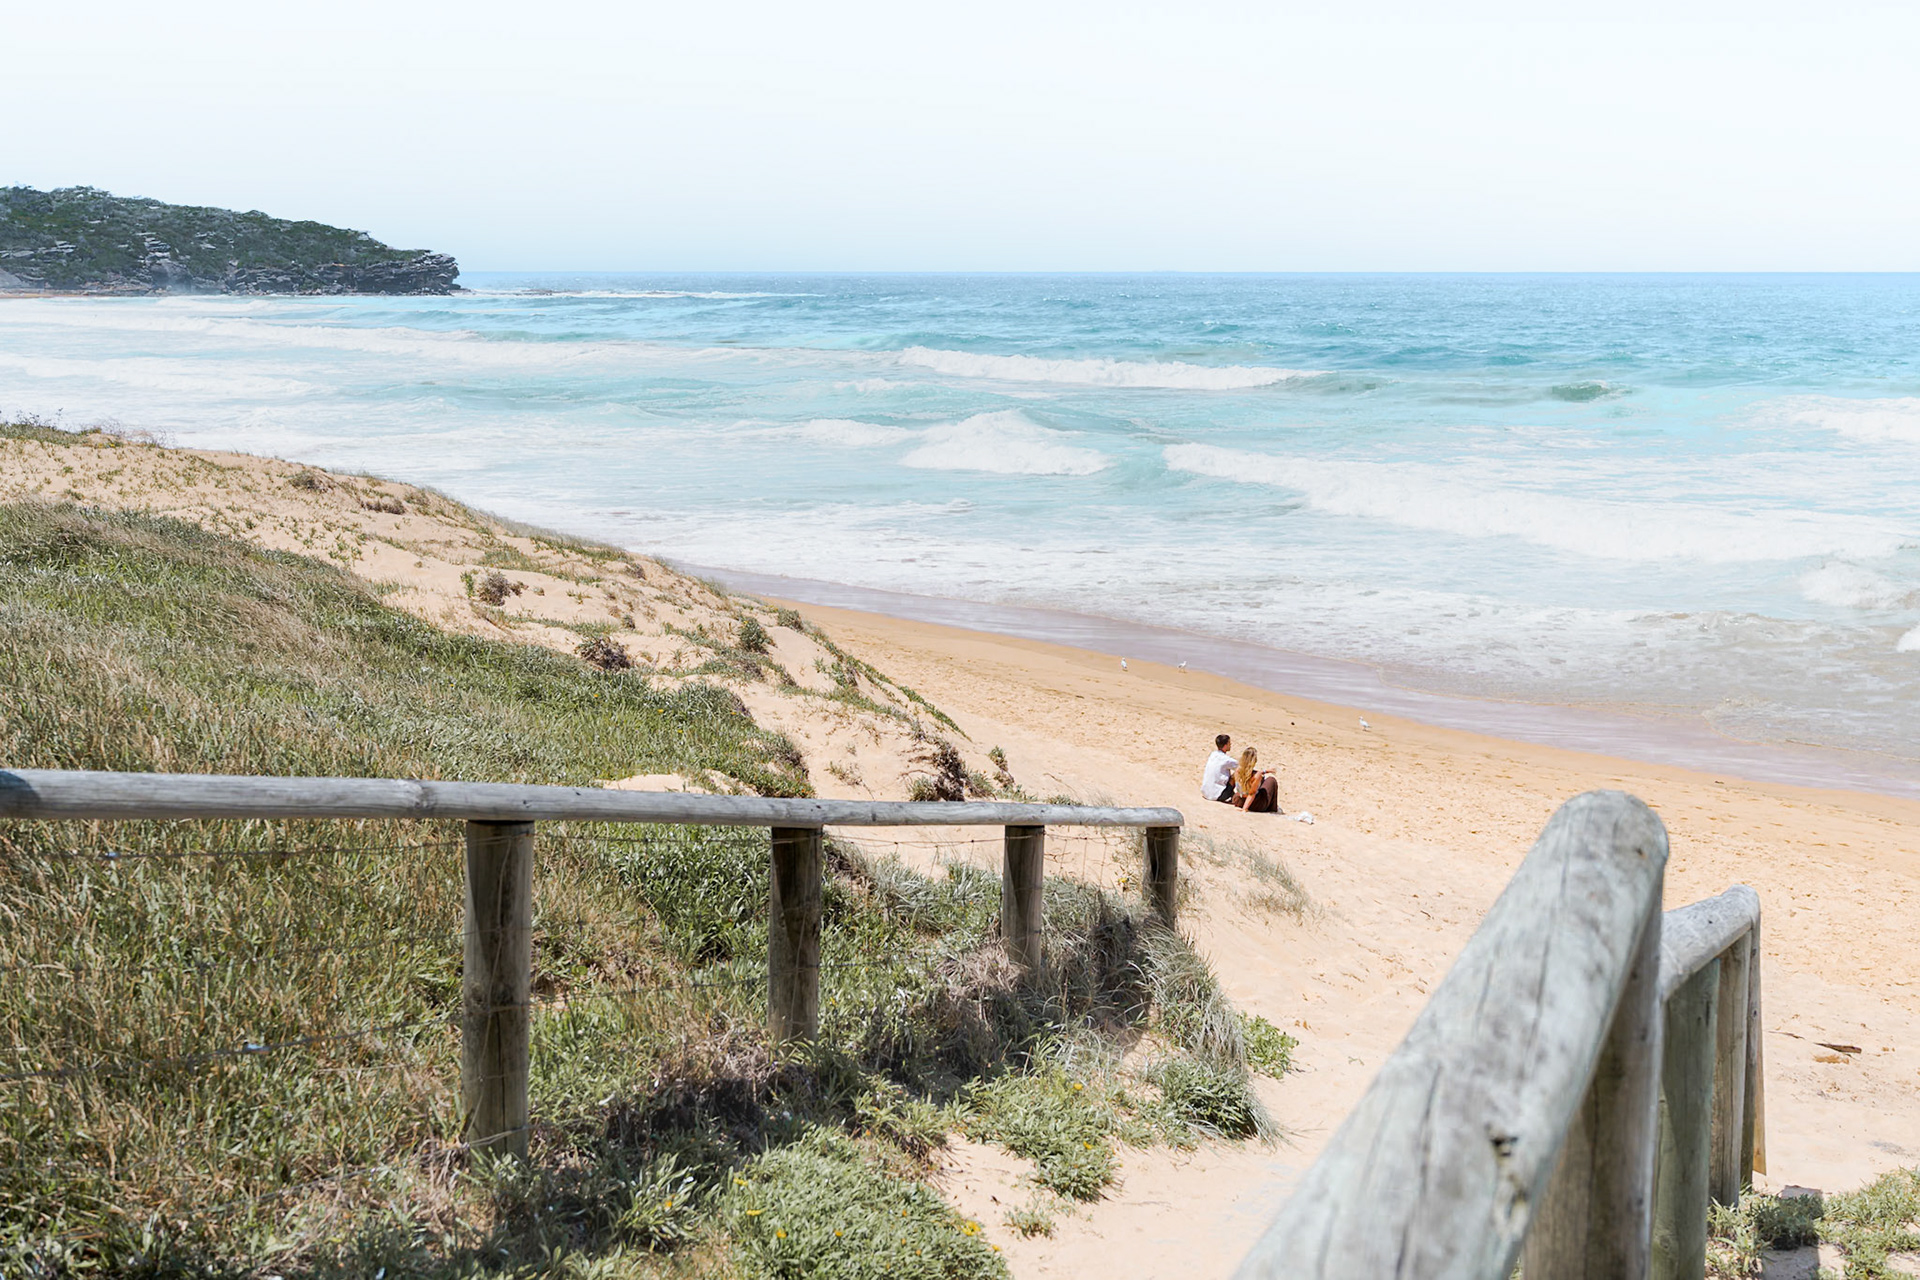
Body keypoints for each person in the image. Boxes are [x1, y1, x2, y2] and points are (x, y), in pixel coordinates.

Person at [1232, 747, 1280, 814]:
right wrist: (1244, 809)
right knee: (1271, 780)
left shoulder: (1237, 771)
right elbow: (1252, 794)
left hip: (1239, 800)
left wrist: (1264, 771)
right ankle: (1273, 808)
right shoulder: (1256, 775)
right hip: (1254, 804)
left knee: (1261, 780)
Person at [1200, 733, 1237, 803]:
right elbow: (1241, 767)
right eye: (1229, 743)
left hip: (1205, 792)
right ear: (1225, 745)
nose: (1231, 744)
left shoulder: (1213, 754)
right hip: (1217, 794)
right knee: (1237, 773)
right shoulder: (1226, 759)